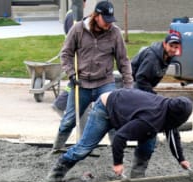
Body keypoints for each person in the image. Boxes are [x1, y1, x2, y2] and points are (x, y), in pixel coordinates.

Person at [46, 89, 193, 182]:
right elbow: (119, 138)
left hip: (125, 110)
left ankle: (137, 175)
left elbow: (173, 134)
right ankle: (57, 173)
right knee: (85, 147)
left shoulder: (167, 111)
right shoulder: (151, 118)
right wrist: (118, 164)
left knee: (149, 140)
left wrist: (181, 159)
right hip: (105, 108)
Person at [51, 1, 134, 152]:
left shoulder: (114, 33)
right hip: (81, 83)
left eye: (111, 20)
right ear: (96, 16)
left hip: (105, 82)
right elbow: (66, 54)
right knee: (69, 119)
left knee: (112, 116)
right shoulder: (78, 30)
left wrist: (129, 86)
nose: (109, 24)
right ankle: (57, 148)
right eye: (106, 20)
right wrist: (71, 73)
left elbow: (123, 60)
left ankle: (117, 150)